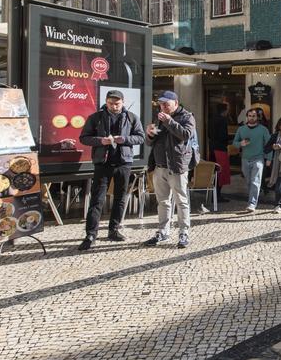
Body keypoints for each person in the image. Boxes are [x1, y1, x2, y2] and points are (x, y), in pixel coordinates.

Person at [75, 91, 146, 252]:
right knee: (97, 200)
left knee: (120, 198)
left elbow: (140, 137)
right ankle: (91, 235)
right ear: (106, 102)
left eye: (117, 104)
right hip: (103, 163)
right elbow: (84, 138)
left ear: (123, 102)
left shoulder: (132, 117)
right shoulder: (96, 117)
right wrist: (101, 141)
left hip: (124, 162)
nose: (114, 106)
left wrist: (125, 139)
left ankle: (113, 230)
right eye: (111, 103)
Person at [144, 91, 196, 249]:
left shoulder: (187, 117)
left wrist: (169, 121)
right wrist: (150, 135)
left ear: (176, 102)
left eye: (166, 103)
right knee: (163, 202)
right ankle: (163, 231)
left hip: (177, 166)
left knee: (181, 201)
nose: (163, 106)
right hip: (160, 166)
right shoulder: (159, 116)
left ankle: (183, 233)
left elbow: (186, 135)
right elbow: (150, 143)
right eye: (161, 104)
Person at [232, 108, 271, 213]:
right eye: (249, 116)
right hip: (245, 159)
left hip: (258, 158)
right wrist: (240, 144)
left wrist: (269, 158)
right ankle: (252, 200)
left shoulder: (263, 129)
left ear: (257, 117)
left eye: (253, 116)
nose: (251, 118)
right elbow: (234, 142)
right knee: (249, 181)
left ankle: (252, 203)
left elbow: (269, 145)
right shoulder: (241, 129)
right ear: (247, 117)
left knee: (255, 181)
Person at [208, 103, 232, 203]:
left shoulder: (211, 119)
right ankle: (217, 195)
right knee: (221, 173)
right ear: (225, 110)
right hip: (220, 149)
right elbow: (223, 136)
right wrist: (229, 140)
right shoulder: (222, 120)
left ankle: (214, 195)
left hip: (212, 147)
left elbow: (209, 134)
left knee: (215, 172)